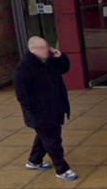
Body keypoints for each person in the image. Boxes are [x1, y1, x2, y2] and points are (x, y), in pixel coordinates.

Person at [14, 36, 77, 181]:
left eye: (46, 46)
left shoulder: (49, 61)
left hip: (55, 108)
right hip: (41, 113)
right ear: (32, 50)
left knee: (44, 136)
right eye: (42, 48)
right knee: (53, 141)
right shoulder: (24, 69)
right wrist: (36, 112)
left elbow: (64, 69)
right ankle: (62, 169)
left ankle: (34, 161)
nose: (46, 50)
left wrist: (60, 56)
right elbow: (22, 95)